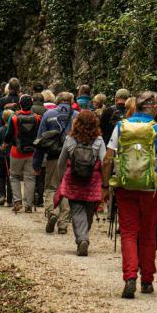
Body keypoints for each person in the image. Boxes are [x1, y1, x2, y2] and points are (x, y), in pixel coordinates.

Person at [103, 90, 157, 298]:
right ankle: (147, 280)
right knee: (147, 233)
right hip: (151, 189)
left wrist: (105, 186)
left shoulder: (121, 127)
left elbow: (108, 159)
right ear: (153, 108)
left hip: (125, 187)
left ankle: (130, 276)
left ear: (136, 106)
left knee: (128, 232)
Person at [52, 109, 107, 256]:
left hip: (73, 179)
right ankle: (83, 236)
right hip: (93, 181)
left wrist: (60, 179)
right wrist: (105, 182)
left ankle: (82, 238)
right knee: (88, 211)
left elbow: (61, 162)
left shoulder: (70, 140)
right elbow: (104, 161)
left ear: (76, 123)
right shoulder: (99, 141)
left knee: (76, 211)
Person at [39, 92, 76, 235]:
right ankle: (63, 224)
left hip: (53, 157)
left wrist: (37, 162)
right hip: (71, 160)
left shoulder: (48, 115)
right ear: (71, 101)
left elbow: (40, 139)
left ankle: (51, 212)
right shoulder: (77, 116)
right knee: (66, 189)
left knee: (51, 187)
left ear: (58, 101)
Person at [2, 95, 40, 212]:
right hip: (31, 152)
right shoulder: (38, 118)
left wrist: (4, 144)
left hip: (16, 151)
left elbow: (9, 134)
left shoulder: (13, 118)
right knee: (30, 178)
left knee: (14, 176)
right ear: (31, 105)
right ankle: (29, 204)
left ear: (20, 104)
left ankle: (17, 201)